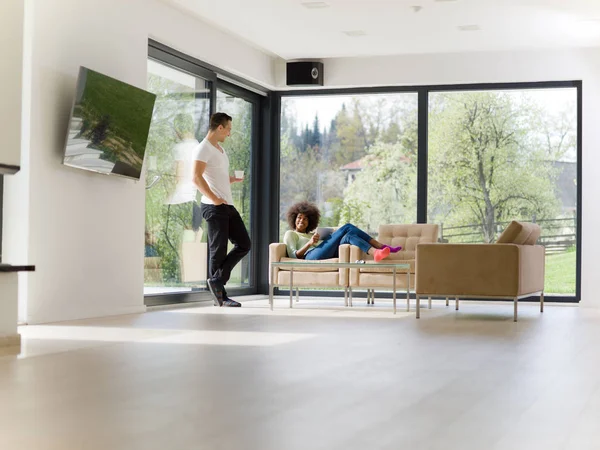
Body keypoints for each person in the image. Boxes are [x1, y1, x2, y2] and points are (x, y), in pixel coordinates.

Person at [193, 112, 249, 307]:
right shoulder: (203, 149)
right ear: (220, 128)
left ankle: (217, 281)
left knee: (244, 243)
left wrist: (231, 180)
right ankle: (220, 297)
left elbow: (215, 176)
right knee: (218, 251)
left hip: (227, 204)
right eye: (228, 130)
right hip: (213, 206)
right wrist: (214, 198)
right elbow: (196, 177)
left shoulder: (219, 150)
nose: (229, 134)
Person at [283, 201, 402, 261]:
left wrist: (319, 239)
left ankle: (376, 253)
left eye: (305, 219)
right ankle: (379, 247)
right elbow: (294, 255)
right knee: (348, 227)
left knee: (349, 236)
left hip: (324, 252)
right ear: (294, 218)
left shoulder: (310, 234)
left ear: (310, 222)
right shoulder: (291, 234)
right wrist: (309, 244)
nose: (302, 221)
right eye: (299, 217)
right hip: (309, 256)